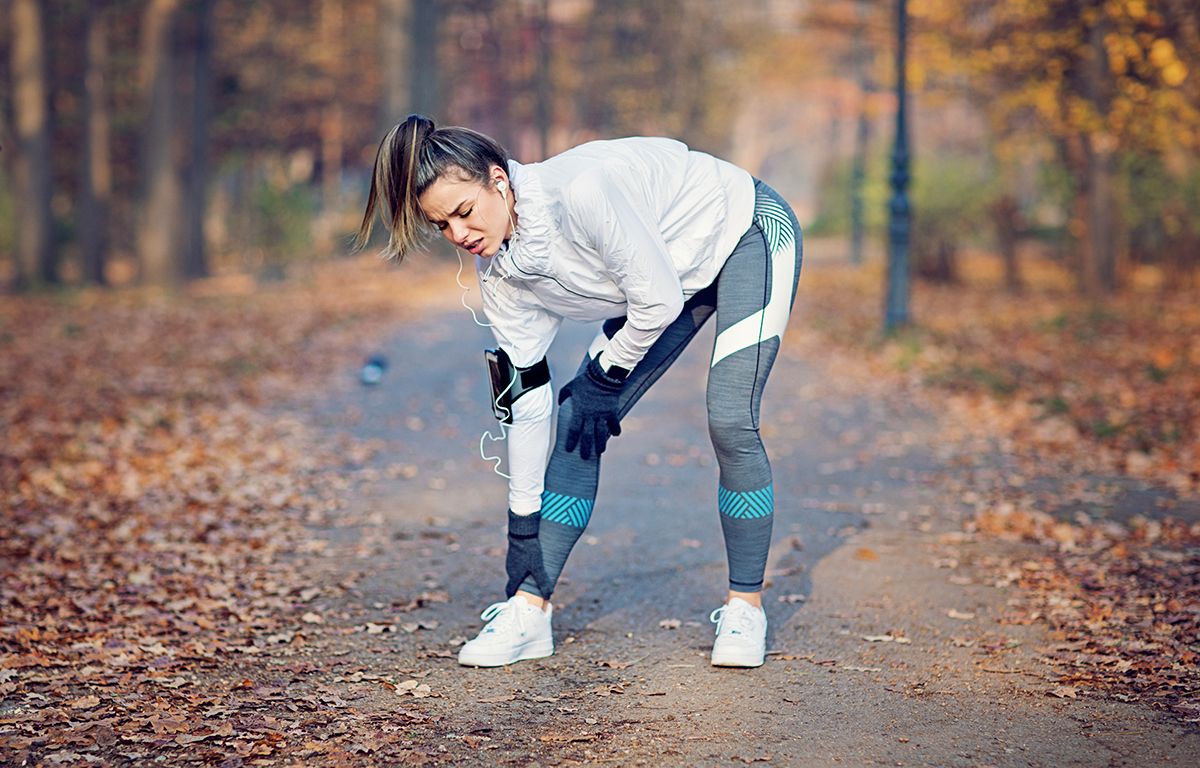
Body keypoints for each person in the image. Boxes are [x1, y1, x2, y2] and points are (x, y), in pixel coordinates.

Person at [355, 114, 802, 669]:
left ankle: (745, 606)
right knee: (575, 421)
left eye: (464, 212)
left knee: (730, 417)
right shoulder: (499, 277)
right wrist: (521, 528)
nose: (459, 235)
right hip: (664, 276)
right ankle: (529, 609)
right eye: (441, 225)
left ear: (498, 182)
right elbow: (526, 401)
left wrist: (604, 373)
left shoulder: (582, 195)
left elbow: (657, 304)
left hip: (745, 234)